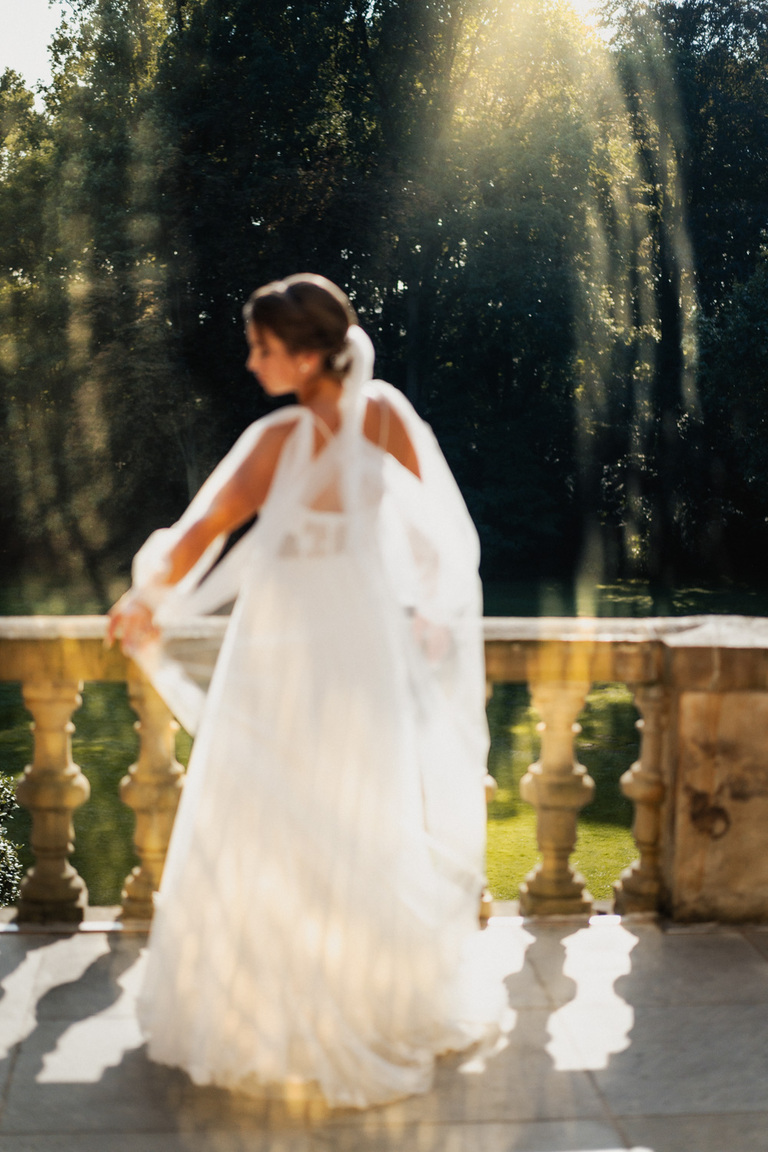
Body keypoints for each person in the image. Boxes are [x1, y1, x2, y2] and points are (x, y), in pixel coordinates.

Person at [108, 274, 512, 1109]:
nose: (251, 360)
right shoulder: (271, 443)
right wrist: (146, 598)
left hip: (356, 659)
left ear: (301, 351)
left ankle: (353, 1006)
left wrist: (430, 612)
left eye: (261, 346)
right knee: (270, 821)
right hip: (284, 661)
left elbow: (444, 532)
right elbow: (199, 535)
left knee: (357, 818)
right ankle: (270, 1010)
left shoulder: (384, 418)